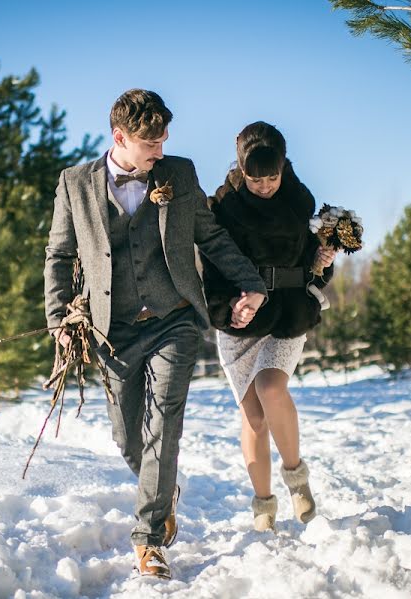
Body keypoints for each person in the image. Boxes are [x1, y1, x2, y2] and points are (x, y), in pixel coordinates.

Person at [43, 89, 267, 579]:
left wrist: (251, 282)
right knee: (129, 437)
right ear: (119, 137)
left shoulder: (179, 175)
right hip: (111, 329)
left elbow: (208, 236)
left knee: (164, 422)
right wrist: (60, 318)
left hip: (174, 319)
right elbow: (58, 255)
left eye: (165, 140)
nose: (160, 152)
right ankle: (161, 494)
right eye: (150, 144)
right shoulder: (75, 183)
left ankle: (147, 541)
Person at [202, 121, 336, 532]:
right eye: (254, 179)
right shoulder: (223, 205)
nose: (264, 186)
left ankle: (297, 480)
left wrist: (323, 261)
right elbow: (211, 266)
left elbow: (310, 263)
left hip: (287, 313)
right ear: (242, 170)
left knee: (271, 387)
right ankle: (263, 505)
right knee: (254, 418)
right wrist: (229, 308)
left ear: (283, 165)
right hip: (239, 322)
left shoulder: (299, 200)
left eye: (272, 177)